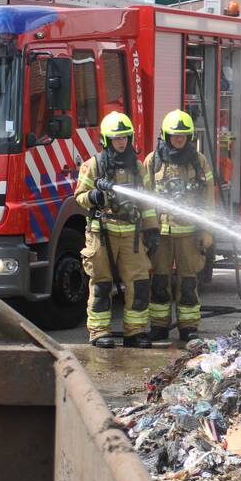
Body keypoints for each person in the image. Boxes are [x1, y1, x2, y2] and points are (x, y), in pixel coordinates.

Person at [74, 111, 160, 349]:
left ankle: (135, 332)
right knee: (102, 284)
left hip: (131, 233)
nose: (121, 142)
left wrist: (152, 230)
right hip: (101, 232)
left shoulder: (138, 167)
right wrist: (93, 196)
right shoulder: (93, 166)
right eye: (116, 138)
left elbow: (147, 201)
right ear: (106, 140)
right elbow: (79, 197)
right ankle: (100, 331)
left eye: (125, 137)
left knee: (140, 282)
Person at [144, 109, 214, 342]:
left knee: (188, 280)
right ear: (165, 135)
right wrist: (149, 229)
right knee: (159, 280)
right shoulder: (153, 161)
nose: (179, 139)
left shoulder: (199, 161)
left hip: (189, 234)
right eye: (175, 135)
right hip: (161, 233)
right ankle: (159, 326)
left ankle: (188, 327)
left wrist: (206, 229)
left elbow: (208, 199)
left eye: (183, 135)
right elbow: (145, 196)